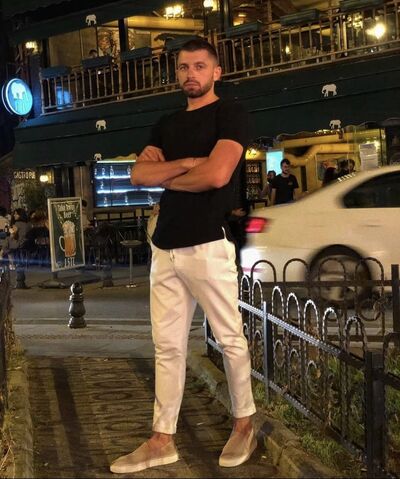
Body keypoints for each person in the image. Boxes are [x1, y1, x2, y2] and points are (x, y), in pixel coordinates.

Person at [110, 38, 257, 475]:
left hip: (208, 241)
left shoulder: (229, 113)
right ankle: (162, 440)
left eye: (199, 66)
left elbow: (218, 174)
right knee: (167, 347)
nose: (190, 74)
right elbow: (138, 174)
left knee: (230, 338)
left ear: (216, 72)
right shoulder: (166, 123)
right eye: (183, 67)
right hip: (165, 246)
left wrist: (168, 175)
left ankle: (245, 424)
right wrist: (189, 163)